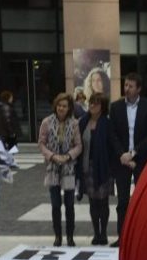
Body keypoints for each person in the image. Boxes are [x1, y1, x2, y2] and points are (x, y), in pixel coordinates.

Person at [108, 74, 147, 243]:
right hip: (122, 160)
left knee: (142, 201)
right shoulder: (115, 107)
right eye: (126, 85)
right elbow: (113, 134)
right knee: (123, 201)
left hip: (141, 160)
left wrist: (134, 153)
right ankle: (122, 237)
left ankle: (142, 237)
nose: (127, 89)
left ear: (139, 88)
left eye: (131, 86)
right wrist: (122, 154)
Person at [39, 92, 83, 246]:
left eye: (64, 106)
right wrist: (52, 156)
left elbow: (79, 145)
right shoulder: (46, 122)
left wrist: (69, 156)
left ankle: (70, 236)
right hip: (52, 167)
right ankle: (58, 236)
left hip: (69, 168)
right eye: (59, 105)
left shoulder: (75, 123)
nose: (61, 108)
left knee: (69, 204)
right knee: (55, 204)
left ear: (69, 107)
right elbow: (41, 143)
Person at [81, 93, 117, 246]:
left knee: (103, 202)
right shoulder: (83, 122)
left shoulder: (107, 123)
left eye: (96, 103)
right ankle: (96, 233)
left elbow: (113, 144)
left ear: (102, 107)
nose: (92, 106)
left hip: (103, 167)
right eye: (91, 103)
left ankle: (104, 234)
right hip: (87, 166)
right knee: (92, 202)